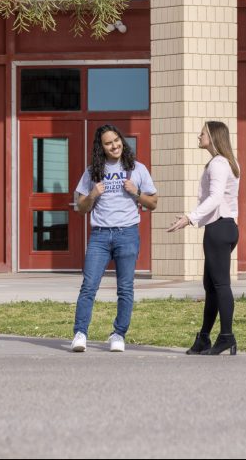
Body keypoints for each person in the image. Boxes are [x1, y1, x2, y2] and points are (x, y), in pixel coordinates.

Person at [71, 124, 158, 353]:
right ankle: (80, 333)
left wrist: (136, 193)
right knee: (89, 286)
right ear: (101, 148)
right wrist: (93, 194)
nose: (114, 146)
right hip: (100, 235)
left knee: (125, 288)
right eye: (108, 143)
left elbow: (154, 202)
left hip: (127, 233)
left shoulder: (137, 169)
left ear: (122, 140)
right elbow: (80, 208)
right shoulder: (92, 172)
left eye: (116, 140)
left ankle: (118, 334)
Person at [167, 121, 240, 355]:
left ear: (214, 137)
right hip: (225, 227)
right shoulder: (226, 162)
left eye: (203, 133)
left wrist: (190, 217)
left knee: (220, 285)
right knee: (211, 286)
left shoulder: (218, 164)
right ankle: (205, 338)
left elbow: (216, 198)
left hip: (219, 229)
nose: (199, 136)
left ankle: (226, 336)